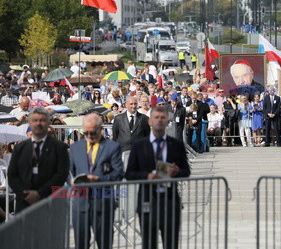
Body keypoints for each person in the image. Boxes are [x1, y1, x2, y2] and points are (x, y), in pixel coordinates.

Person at [126, 106, 191, 249]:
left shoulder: (176, 145)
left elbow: (186, 171)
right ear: (149, 121)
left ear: (168, 121)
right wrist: (146, 176)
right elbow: (129, 173)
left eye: (163, 118)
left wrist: (177, 172)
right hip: (147, 200)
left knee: (171, 243)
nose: (160, 121)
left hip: (170, 202)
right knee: (149, 243)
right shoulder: (139, 145)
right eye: (156, 117)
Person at [70, 113, 124, 249]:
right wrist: (71, 180)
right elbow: (68, 171)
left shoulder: (112, 147)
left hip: (103, 204)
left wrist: (99, 179)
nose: (89, 135)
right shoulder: (75, 147)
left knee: (104, 243)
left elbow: (118, 174)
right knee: (80, 244)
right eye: (86, 132)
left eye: (92, 132)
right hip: (80, 204)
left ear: (100, 129)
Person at [8, 107, 69, 213]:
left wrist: (39, 194)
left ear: (48, 123)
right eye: (35, 120)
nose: (38, 123)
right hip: (24, 204)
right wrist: (25, 194)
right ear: (30, 123)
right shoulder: (20, 148)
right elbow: (12, 174)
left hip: (49, 203)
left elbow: (61, 175)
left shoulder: (60, 148)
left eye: (42, 120)